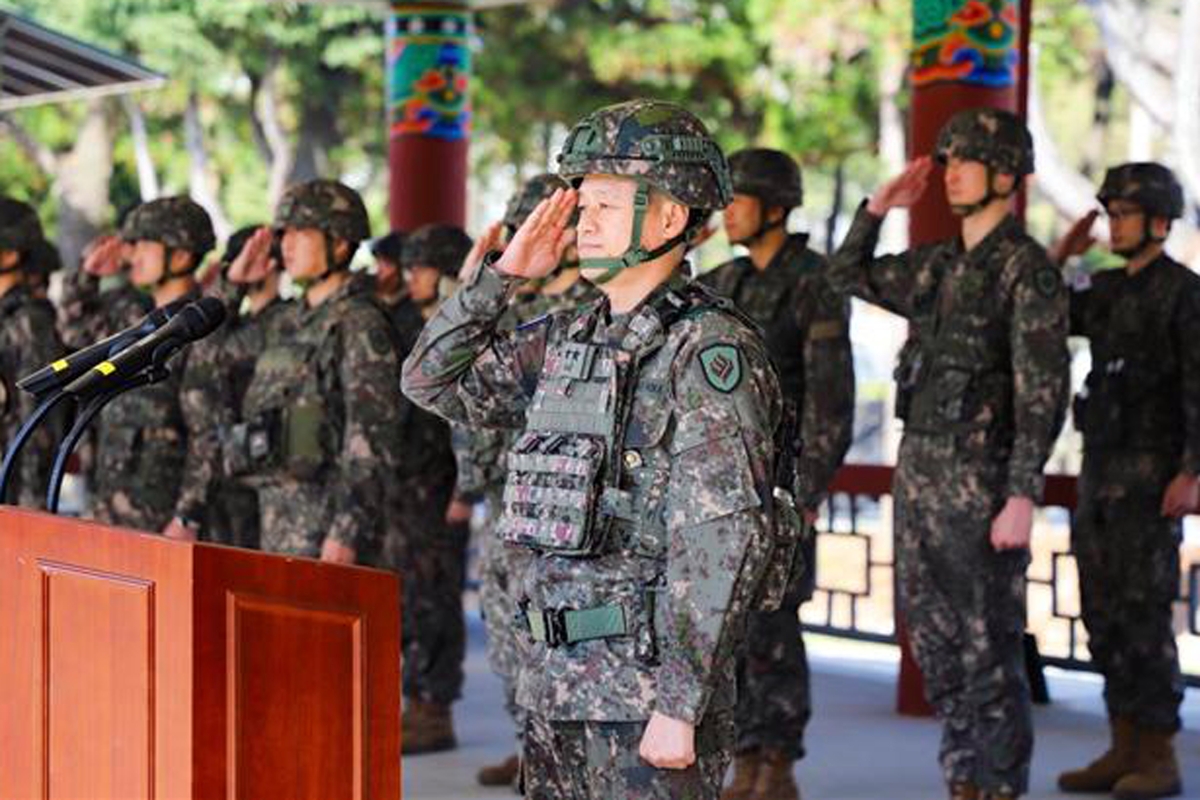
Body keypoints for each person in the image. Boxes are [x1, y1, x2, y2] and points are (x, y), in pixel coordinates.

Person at [403, 98, 787, 799]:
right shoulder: (570, 334)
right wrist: (501, 278)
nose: (582, 219)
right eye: (581, 203)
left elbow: (722, 538)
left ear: (669, 219)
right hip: (556, 685)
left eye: (606, 204)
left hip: (642, 696)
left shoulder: (706, 349)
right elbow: (430, 381)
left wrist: (679, 704)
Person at [828, 108, 1069, 800]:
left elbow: (1042, 391)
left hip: (986, 487)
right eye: (948, 161)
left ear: (1005, 174)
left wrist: (1023, 493)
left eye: (966, 161)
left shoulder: (1027, 272)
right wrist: (877, 208)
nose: (951, 173)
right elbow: (847, 275)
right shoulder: (938, 266)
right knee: (934, 643)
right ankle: (963, 779)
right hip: (921, 477)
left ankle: (997, 786)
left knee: (989, 650)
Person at [702, 148, 854, 800]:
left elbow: (831, 396)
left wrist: (809, 489)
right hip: (724, 483)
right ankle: (745, 754)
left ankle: (779, 761)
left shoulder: (812, 280)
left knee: (778, 625)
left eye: (739, 201)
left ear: (776, 208)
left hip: (783, 484)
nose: (729, 213)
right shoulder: (727, 282)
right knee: (731, 625)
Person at [1050, 162, 1198, 800]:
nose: (1113, 224)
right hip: (1102, 471)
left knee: (1143, 614)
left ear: (1160, 222)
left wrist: (1192, 471)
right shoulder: (1106, 290)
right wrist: (1066, 253)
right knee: (1101, 610)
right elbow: (1055, 306)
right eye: (1110, 212)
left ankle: (1158, 754)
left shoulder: (1185, 295)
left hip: (1153, 476)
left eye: (1124, 213)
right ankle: (1121, 745)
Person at [460, 172, 600, 787]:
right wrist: (476, 288)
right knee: (508, 630)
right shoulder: (518, 304)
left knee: (565, 639)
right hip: (506, 499)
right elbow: (446, 377)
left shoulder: (585, 308)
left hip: (564, 508)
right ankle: (529, 743)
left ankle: (563, 754)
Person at [235, 179, 401, 565]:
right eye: (284, 234)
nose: (286, 245)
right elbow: (210, 353)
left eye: (300, 233)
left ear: (339, 243)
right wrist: (235, 285)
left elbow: (373, 437)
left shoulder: (360, 323)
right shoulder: (288, 320)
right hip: (276, 521)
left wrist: (346, 532)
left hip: (329, 535)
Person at [382, 223, 472, 755]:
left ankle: (434, 708)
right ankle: (411, 698)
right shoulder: (396, 321)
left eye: (421, 267)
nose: (410, 276)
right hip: (400, 485)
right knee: (405, 597)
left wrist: (466, 489)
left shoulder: (457, 324)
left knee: (436, 598)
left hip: (441, 484)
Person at [90, 197, 215, 533]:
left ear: (181, 255)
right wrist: (89, 277)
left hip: (161, 520)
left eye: (147, 244)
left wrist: (187, 515)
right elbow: (75, 331)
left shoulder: (198, 329)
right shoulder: (134, 318)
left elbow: (207, 433)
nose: (134, 254)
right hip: (109, 506)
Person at [167, 225, 291, 548]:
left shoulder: (288, 322)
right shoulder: (240, 326)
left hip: (262, 487)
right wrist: (231, 286)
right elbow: (203, 356)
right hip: (220, 483)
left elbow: (209, 359)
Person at [0, 197, 66, 507]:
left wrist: (29, 511)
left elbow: (38, 424)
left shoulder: (30, 321)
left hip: (12, 494)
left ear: (11, 254)